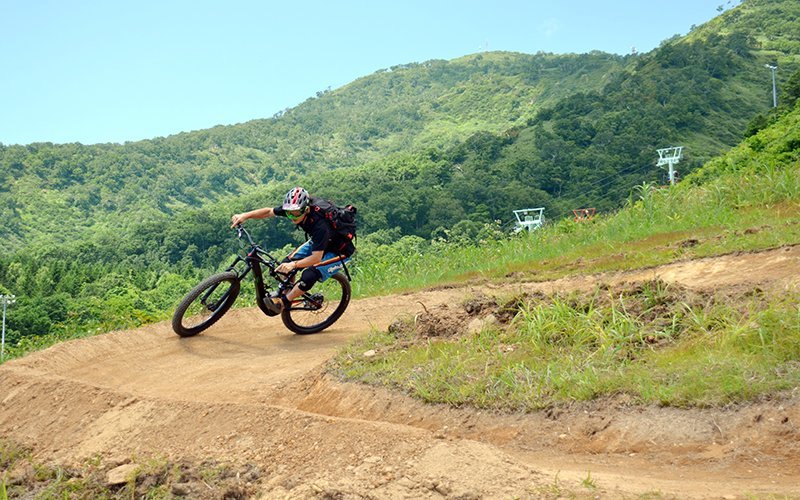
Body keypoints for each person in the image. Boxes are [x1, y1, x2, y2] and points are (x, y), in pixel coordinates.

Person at [230, 187, 355, 312]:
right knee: (286, 263)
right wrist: (245, 216)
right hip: (320, 242)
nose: (292, 217)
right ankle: (287, 292)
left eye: (296, 214)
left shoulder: (320, 226)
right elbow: (269, 212)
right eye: (289, 213)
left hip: (339, 250)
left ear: (306, 209)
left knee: (309, 275)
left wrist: (294, 265)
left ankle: (283, 302)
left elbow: (316, 258)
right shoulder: (294, 209)